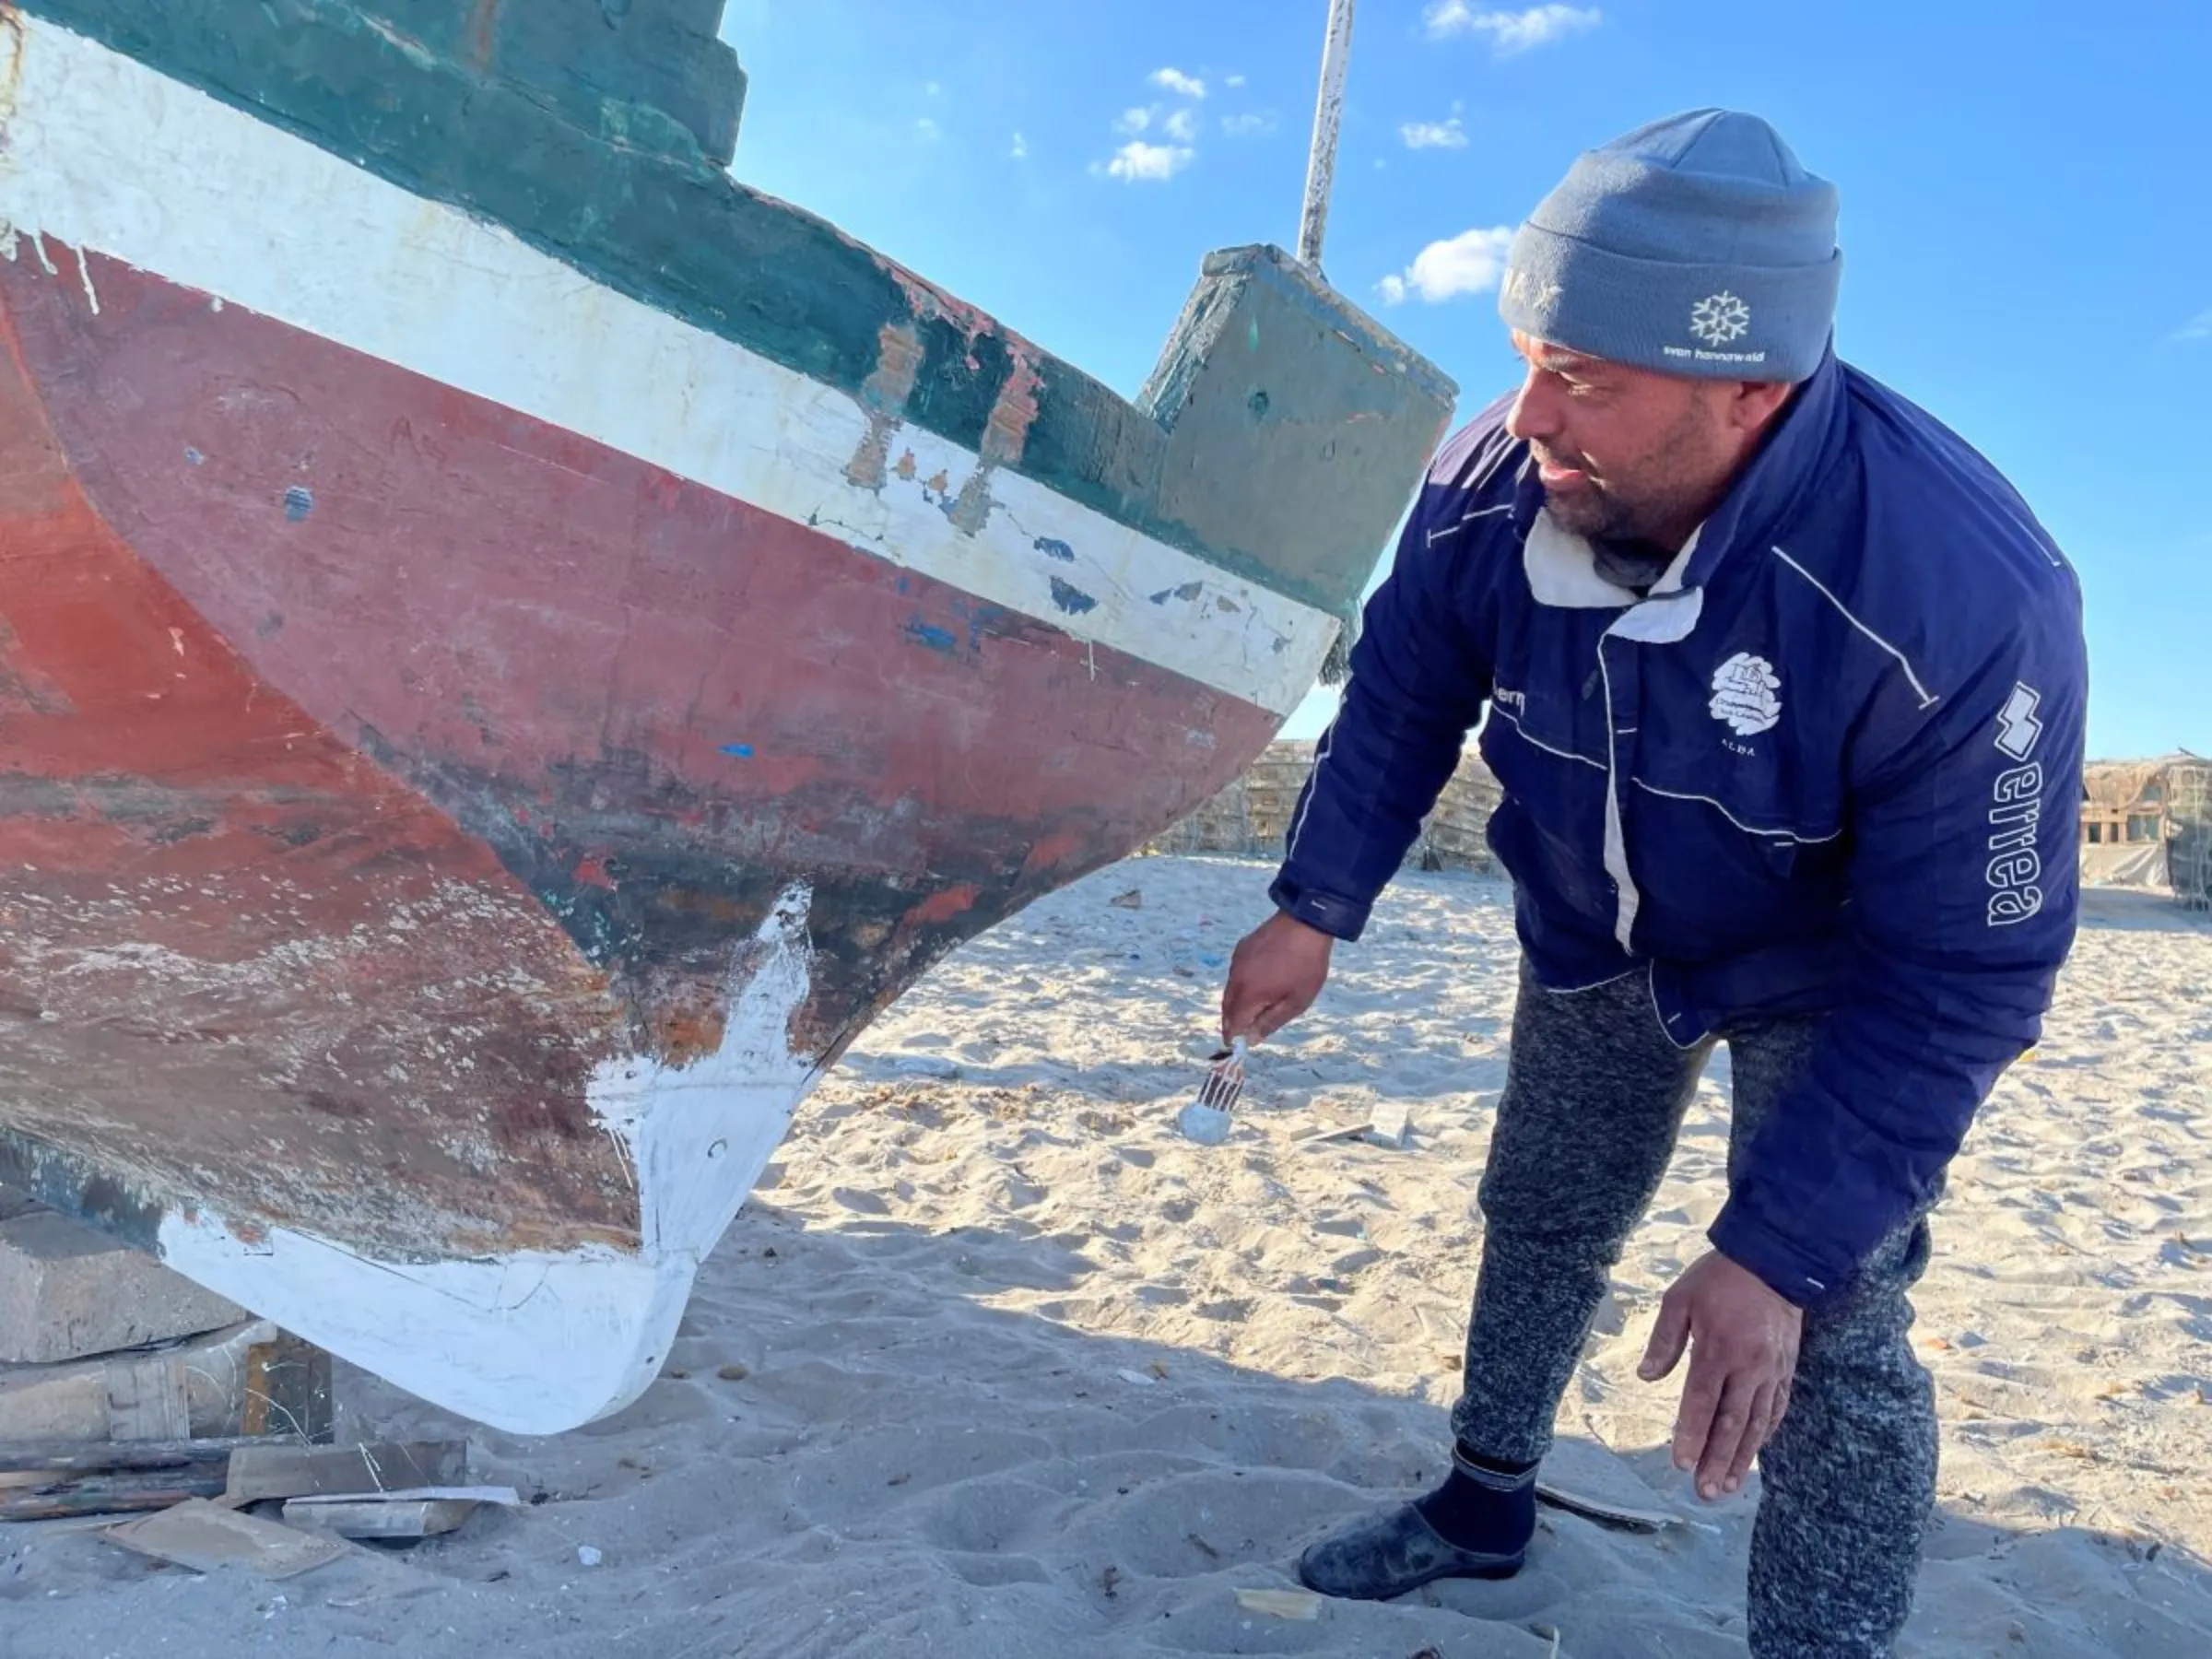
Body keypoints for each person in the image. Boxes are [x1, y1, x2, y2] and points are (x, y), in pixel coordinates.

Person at [1220, 109, 2086, 1655]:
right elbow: (1410, 682)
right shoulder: (1497, 472)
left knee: (1825, 1317)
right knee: (1543, 1208)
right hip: (1588, 915)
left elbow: (1966, 968)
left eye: (1587, 379)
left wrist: (1775, 1247)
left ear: (1754, 387)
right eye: (1529, 353)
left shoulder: (1963, 593)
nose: (1530, 409)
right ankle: (1483, 1502)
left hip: (1831, 966)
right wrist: (1317, 903)